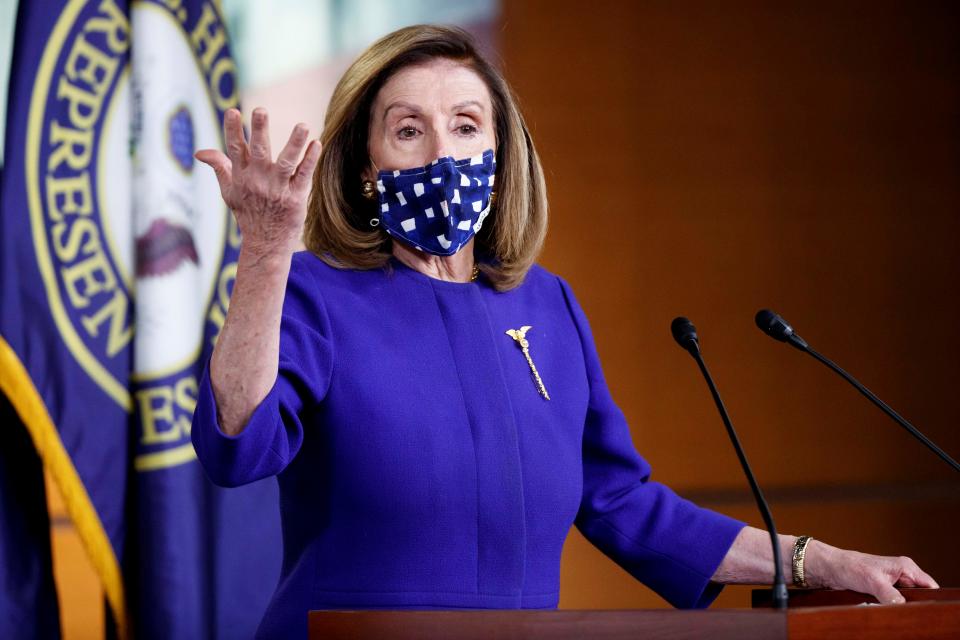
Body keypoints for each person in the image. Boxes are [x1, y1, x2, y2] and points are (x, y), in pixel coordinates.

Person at [191, 24, 938, 639]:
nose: (443, 155)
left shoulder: (546, 307)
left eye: (465, 126)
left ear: (500, 154)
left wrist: (822, 562)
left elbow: (622, 504)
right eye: (408, 130)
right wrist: (265, 250)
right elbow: (237, 441)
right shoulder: (317, 297)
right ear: (364, 168)